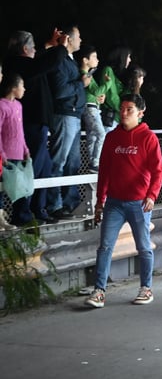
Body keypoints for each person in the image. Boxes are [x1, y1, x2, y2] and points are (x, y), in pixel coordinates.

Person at [84, 94, 162, 308]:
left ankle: (146, 288)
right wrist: (100, 201)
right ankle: (99, 291)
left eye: (129, 109)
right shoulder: (112, 138)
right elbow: (105, 172)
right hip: (114, 203)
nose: (124, 113)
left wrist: (152, 195)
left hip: (139, 203)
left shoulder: (148, 138)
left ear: (140, 113)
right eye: (122, 109)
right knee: (105, 247)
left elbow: (158, 171)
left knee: (144, 247)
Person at [3, 30, 67, 225]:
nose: (36, 50)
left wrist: (49, 45)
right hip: (33, 124)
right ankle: (22, 213)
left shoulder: (24, 64)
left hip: (39, 124)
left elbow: (39, 61)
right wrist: (62, 47)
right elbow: (45, 63)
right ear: (24, 49)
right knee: (31, 169)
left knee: (44, 169)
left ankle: (38, 208)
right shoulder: (19, 64)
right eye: (33, 47)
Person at [46, 23, 91, 220]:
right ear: (70, 39)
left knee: (73, 162)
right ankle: (53, 204)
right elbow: (60, 91)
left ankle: (69, 203)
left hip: (74, 116)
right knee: (59, 161)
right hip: (64, 115)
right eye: (79, 36)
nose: (81, 40)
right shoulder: (61, 61)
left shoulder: (70, 60)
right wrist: (80, 83)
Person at [0, 72, 31, 228]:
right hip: (5, 155)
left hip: (19, 153)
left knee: (19, 187)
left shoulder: (19, 105)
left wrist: (25, 148)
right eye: (22, 86)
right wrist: (2, 153)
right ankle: (2, 219)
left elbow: (20, 131)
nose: (24, 89)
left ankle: (20, 217)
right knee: (2, 188)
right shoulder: (1, 105)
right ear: (13, 88)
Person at [76, 44, 107, 171]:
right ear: (85, 60)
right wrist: (107, 83)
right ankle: (95, 162)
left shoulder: (88, 74)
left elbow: (94, 93)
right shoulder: (85, 75)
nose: (97, 59)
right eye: (94, 57)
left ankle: (92, 163)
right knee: (101, 133)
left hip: (91, 107)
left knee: (92, 136)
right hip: (90, 109)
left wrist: (99, 98)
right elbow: (97, 91)